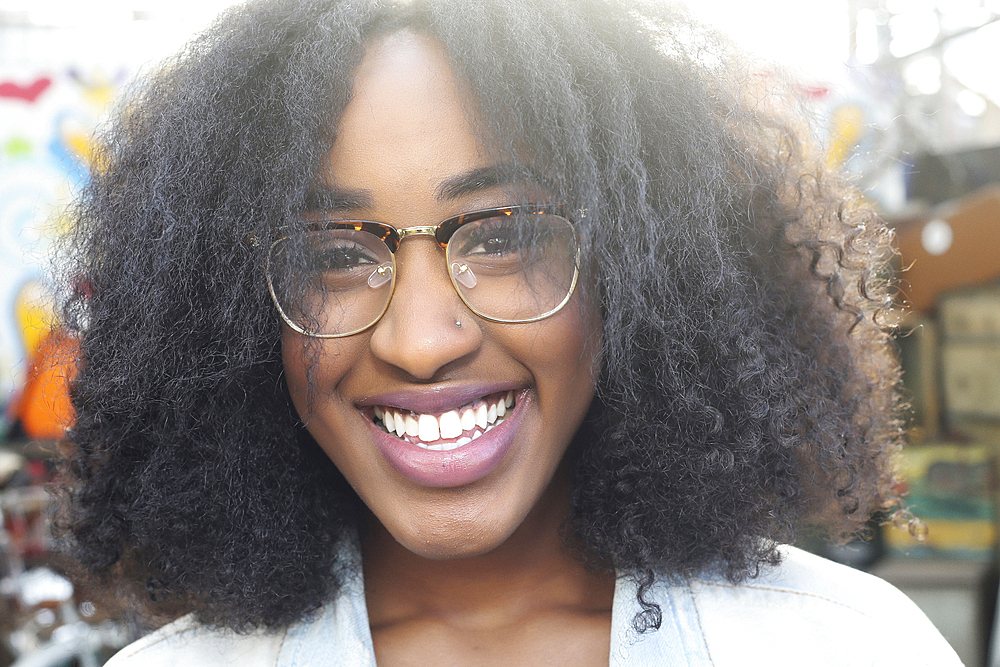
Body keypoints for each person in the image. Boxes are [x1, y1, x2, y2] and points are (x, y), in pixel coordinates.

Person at [54, 0, 961, 664]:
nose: (419, 340)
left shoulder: (843, 648)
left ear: (646, 272)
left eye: (507, 236)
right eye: (332, 251)